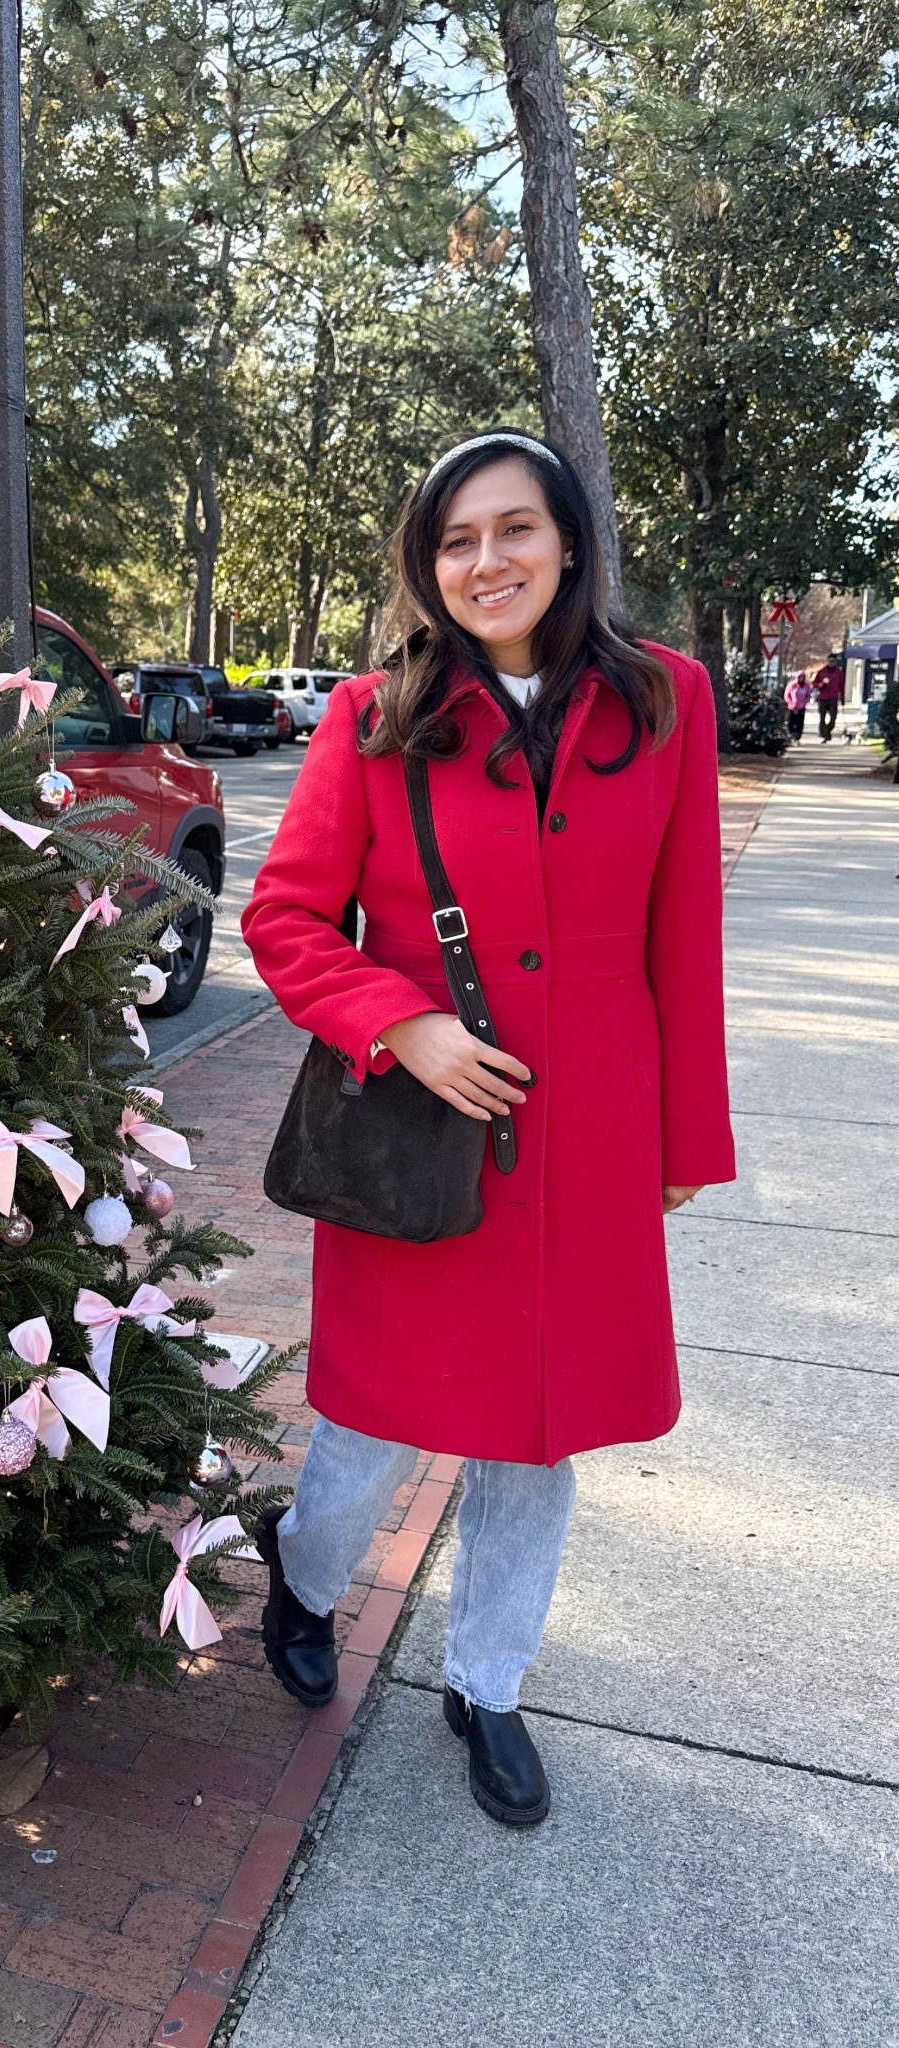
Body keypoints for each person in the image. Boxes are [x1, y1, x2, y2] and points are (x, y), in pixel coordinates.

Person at [241, 428, 734, 1829]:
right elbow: (282, 919)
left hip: (587, 1134)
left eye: (514, 530)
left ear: (568, 541)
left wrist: (682, 1141)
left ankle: (488, 1684)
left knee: (538, 1434)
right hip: (422, 1129)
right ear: (428, 565)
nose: (487, 562)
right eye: (456, 541)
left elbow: (679, 939)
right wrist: (401, 1021)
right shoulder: (372, 717)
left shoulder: (670, 704)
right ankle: (310, 1577)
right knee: (369, 1427)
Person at [812, 653, 845, 741]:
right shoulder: (821, 672)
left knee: (833, 719)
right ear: (827, 661)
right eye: (830, 661)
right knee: (822, 718)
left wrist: (842, 698)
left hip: (833, 698)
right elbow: (814, 684)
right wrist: (821, 684)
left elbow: (842, 686)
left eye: (833, 661)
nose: (831, 663)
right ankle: (824, 735)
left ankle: (826, 732)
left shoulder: (839, 672)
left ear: (835, 662)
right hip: (822, 698)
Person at [784, 669, 812, 742]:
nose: (801, 679)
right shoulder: (792, 685)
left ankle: (797, 738)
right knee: (790, 722)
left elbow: (808, 695)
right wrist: (791, 703)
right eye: (800, 677)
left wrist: (804, 702)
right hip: (792, 707)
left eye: (803, 677)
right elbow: (787, 695)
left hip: (801, 707)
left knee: (800, 723)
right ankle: (791, 735)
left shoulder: (806, 686)